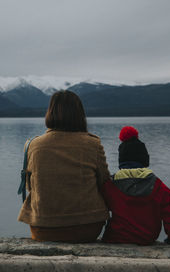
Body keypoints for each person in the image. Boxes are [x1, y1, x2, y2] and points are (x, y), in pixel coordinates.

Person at [17, 90, 110, 243]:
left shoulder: (33, 145)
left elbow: (30, 187)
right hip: (88, 228)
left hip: (43, 230)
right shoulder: (92, 144)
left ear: (50, 112)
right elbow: (104, 183)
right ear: (79, 114)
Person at [102, 126, 170, 245]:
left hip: (114, 238)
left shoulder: (110, 185)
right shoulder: (158, 186)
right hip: (146, 240)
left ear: (121, 161)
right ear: (145, 160)